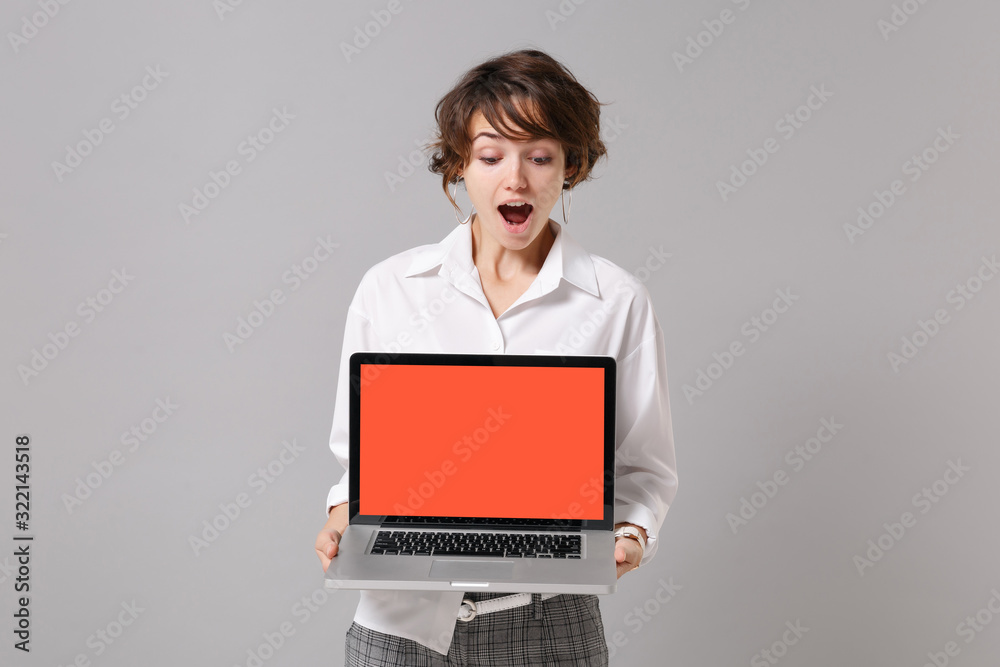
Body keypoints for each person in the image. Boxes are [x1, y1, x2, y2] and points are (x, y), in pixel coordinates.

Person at [315, 48, 677, 666]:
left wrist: (631, 536)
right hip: (399, 622)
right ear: (460, 163)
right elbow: (362, 458)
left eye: (540, 157)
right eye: (490, 157)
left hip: (550, 622)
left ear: (570, 166)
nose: (516, 180)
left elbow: (645, 465)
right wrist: (345, 513)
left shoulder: (616, 300)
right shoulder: (390, 288)